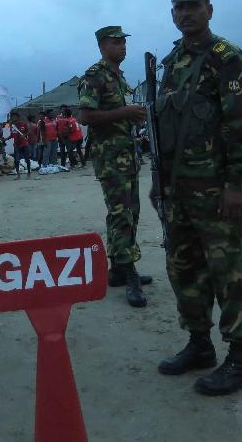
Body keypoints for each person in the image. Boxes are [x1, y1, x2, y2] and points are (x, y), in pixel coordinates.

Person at [154, 0, 242, 397]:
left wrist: (235, 183)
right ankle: (199, 344)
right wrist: (160, 181)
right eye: (179, 7)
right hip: (178, 189)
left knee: (229, 272)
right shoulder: (171, 62)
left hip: (215, 189)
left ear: (209, 9)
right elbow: (164, 126)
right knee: (184, 269)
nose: (186, 13)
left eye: (193, 6)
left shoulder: (226, 58)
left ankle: (239, 360)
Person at [79, 25, 152, 307]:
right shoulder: (95, 76)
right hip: (110, 157)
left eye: (123, 41)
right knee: (121, 212)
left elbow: (115, 115)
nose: (122, 46)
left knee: (129, 210)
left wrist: (131, 117)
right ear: (102, 46)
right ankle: (128, 270)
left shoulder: (117, 77)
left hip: (126, 154)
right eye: (116, 42)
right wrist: (124, 112)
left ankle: (119, 268)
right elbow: (85, 115)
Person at [5, 112, 32, 179]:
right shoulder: (12, 125)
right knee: (16, 160)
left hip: (24, 144)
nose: (13, 118)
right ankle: (18, 175)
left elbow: (28, 132)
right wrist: (6, 139)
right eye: (12, 117)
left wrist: (24, 135)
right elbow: (11, 134)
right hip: (16, 145)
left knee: (27, 159)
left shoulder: (23, 124)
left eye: (15, 117)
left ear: (18, 117)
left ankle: (29, 173)